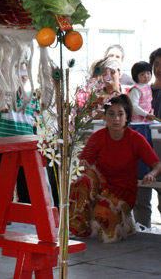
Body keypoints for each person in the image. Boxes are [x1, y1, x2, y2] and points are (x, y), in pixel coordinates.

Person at [69, 94, 161, 243]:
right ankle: (81, 228)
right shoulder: (98, 137)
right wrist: (81, 164)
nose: (116, 119)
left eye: (120, 114)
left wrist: (151, 174)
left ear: (127, 117)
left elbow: (157, 165)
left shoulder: (136, 139)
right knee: (82, 177)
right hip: (101, 188)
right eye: (111, 114)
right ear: (105, 116)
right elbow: (83, 163)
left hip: (123, 193)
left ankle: (126, 224)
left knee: (105, 221)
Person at [0, 63, 40, 204]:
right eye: (17, 71)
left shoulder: (33, 100)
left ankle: (25, 222)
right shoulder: (2, 96)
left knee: (26, 191)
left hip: (25, 150)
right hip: (3, 148)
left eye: (23, 73)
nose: (20, 76)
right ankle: (1, 222)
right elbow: (3, 108)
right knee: (2, 191)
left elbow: (37, 125)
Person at [133, 51, 161, 228]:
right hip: (145, 149)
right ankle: (142, 233)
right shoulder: (142, 90)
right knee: (141, 198)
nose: (159, 69)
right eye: (156, 64)